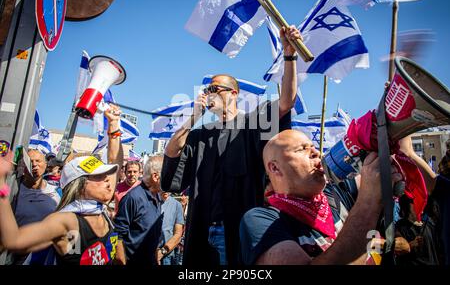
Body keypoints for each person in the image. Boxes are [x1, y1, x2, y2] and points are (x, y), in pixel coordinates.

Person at [161, 26, 302, 266]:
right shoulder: (200, 135)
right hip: (201, 232)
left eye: (215, 89)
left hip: (238, 232)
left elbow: (286, 102)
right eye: (207, 89)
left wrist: (290, 57)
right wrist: (194, 116)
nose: (209, 93)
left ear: (234, 93)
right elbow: (172, 152)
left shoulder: (253, 123)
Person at [239, 130, 403, 265]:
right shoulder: (261, 220)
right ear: (275, 168)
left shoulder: (337, 192)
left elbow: (377, 167)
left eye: (314, 147)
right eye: (302, 149)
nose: (316, 152)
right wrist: (368, 203)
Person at [0, 105, 124, 265]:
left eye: (107, 174)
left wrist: (114, 124)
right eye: (99, 176)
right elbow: (14, 240)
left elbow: (115, 162)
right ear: (79, 185)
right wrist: (1, 184)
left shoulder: (99, 208)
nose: (108, 180)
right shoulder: (66, 221)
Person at [114, 156, 164, 265]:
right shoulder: (133, 198)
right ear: (155, 176)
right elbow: (117, 235)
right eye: (167, 174)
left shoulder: (158, 197)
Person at [158, 191, 185, 265]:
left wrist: (162, 252)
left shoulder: (177, 205)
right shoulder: (149, 200)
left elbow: (178, 234)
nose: (166, 190)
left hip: (166, 255)